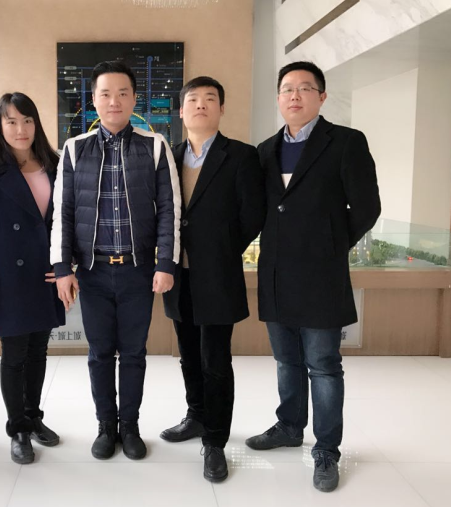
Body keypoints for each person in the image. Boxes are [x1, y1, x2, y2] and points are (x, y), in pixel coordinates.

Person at [245, 61, 381, 492]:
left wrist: (330, 244)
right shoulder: (265, 150)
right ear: (278, 98)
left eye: (305, 88)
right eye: (287, 89)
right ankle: (289, 427)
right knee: (286, 360)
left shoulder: (345, 142)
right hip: (276, 272)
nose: (295, 95)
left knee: (322, 365)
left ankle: (326, 450)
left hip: (322, 273)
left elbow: (367, 207)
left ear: (321, 97)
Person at [50, 61, 181, 461]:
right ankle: (106, 425)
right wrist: (62, 268)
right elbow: (63, 212)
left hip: (138, 271)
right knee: (100, 353)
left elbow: (169, 209)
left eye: (122, 93)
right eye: (105, 94)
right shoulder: (74, 149)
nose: (114, 101)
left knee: (135, 353)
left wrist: (165, 263)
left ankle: (130, 426)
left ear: (134, 99)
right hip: (93, 272)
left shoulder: (154, 145)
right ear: (93, 100)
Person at [160, 76, 265, 482]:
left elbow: (252, 214)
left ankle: (216, 441)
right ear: (181, 110)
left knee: (216, 360)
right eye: (192, 99)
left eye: (210, 99)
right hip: (178, 275)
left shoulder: (240, 155)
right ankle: (197, 416)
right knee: (188, 353)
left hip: (218, 275)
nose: (200, 105)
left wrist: (220, 249)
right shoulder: (168, 156)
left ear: (221, 109)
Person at [0, 92, 65, 465]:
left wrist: (65, 265)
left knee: (39, 350)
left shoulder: (55, 163)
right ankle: (18, 429)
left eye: (27, 120)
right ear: (0, 126)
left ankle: (33, 417)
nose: (20, 129)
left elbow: (68, 219)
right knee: (14, 354)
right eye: (11, 121)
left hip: (47, 272)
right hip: (10, 274)